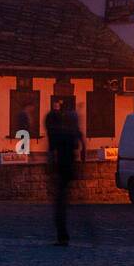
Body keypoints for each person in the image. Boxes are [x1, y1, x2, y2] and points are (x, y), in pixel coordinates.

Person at [44, 99, 84, 246]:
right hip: (69, 170)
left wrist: (49, 167)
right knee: (64, 203)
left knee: (60, 205)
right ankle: (64, 234)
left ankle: (62, 236)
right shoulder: (72, 133)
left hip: (61, 171)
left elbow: (51, 151)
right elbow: (80, 145)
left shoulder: (60, 133)